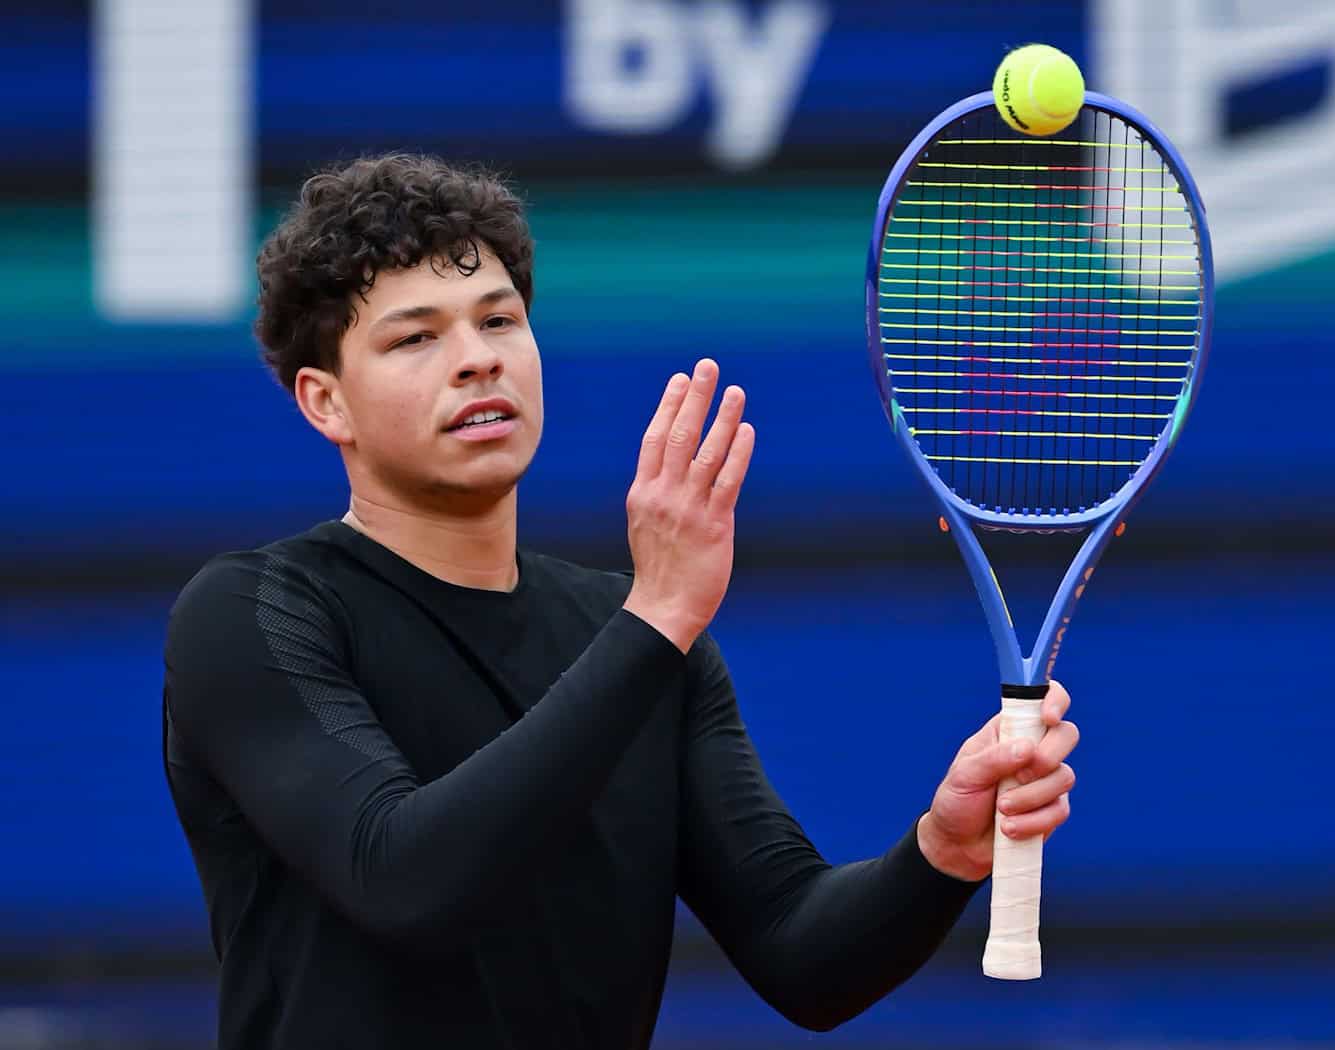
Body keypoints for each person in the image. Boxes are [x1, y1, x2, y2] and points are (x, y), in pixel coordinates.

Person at [163, 153, 1079, 1050]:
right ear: (327, 404)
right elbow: (405, 879)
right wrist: (659, 618)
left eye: (499, 320)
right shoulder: (253, 614)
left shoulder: (633, 637)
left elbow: (805, 957)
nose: (477, 361)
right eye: (416, 337)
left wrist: (941, 851)